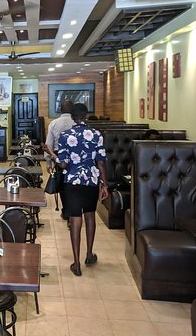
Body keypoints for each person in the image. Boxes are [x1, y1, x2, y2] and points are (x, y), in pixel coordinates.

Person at [43, 103, 109, 277]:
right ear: (86, 116)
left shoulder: (65, 136)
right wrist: (105, 185)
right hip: (91, 181)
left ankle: (76, 263)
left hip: (72, 181)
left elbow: (63, 164)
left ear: (72, 117)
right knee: (90, 215)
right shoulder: (96, 134)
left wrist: (52, 155)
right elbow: (101, 163)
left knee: (75, 219)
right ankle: (89, 254)